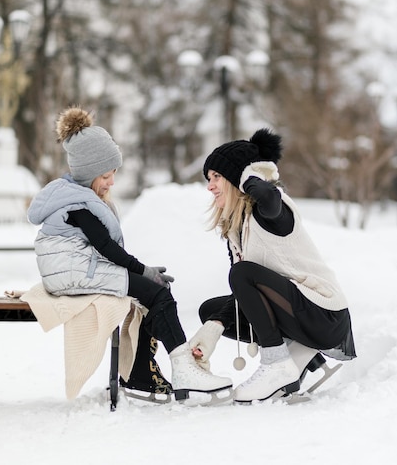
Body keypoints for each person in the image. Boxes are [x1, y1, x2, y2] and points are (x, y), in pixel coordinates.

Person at [27, 106, 231, 402]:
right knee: (157, 294)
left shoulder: (76, 197)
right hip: (74, 274)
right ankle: (184, 368)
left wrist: (143, 274)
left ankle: (140, 375)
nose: (111, 182)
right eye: (106, 175)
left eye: (113, 175)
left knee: (154, 292)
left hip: (79, 269)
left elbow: (102, 252)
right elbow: (106, 249)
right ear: (88, 173)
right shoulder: (79, 205)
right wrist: (142, 270)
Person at [189, 128, 356, 403]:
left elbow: (269, 198)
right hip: (301, 311)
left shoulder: (270, 212)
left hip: (325, 314)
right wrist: (214, 327)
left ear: (239, 179)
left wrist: (250, 177)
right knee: (211, 310)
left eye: (217, 177)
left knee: (241, 273)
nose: (210, 186)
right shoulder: (237, 229)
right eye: (209, 179)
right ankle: (297, 352)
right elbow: (247, 292)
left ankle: (277, 364)